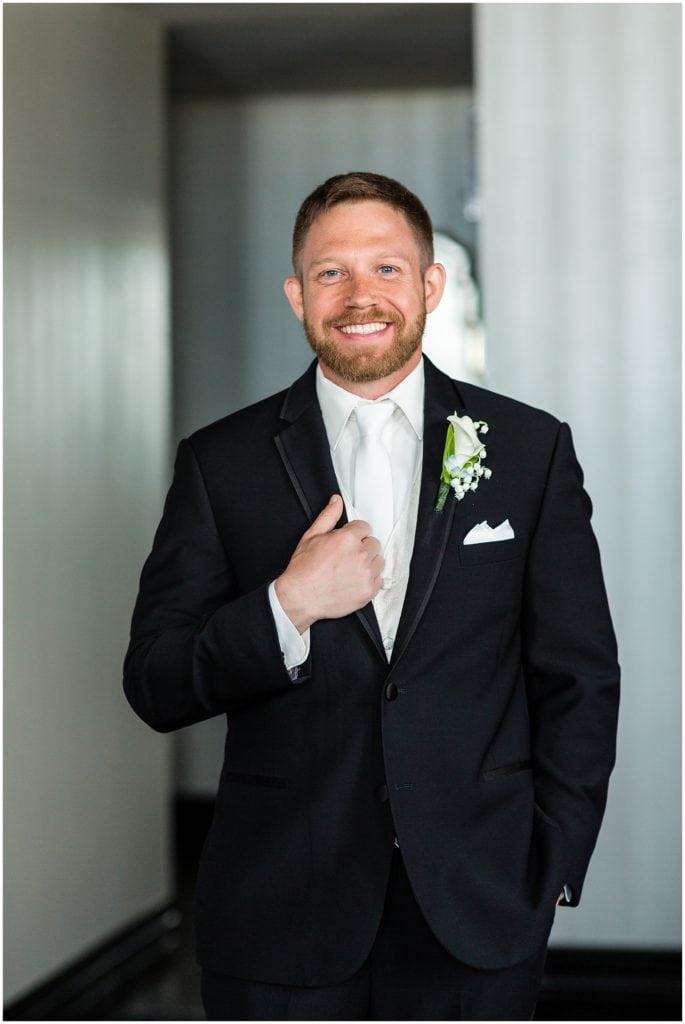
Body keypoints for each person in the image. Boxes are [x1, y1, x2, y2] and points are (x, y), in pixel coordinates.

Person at [124, 172, 620, 1021]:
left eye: (386, 270)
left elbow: (578, 677)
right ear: (296, 294)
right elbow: (157, 680)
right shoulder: (221, 462)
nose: (360, 297)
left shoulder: (530, 450)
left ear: (430, 284)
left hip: (481, 908)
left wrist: (551, 863)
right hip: (280, 913)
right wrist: (287, 605)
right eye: (331, 273)